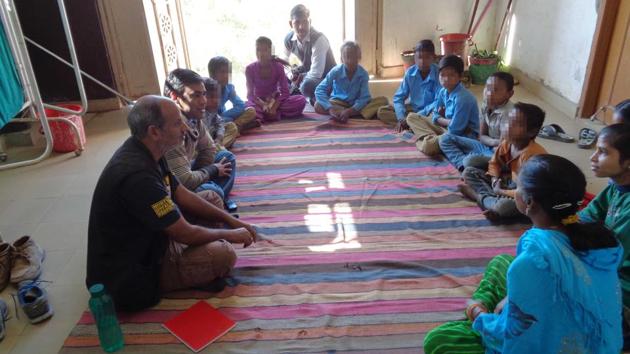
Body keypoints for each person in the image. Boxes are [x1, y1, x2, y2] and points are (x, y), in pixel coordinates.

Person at [423, 154, 622, 354]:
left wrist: (479, 316)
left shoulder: (533, 261)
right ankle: (494, 304)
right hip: (601, 345)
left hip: (552, 344)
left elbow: (517, 336)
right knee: (502, 262)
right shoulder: (599, 240)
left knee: (438, 340)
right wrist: (512, 299)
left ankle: (480, 306)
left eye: (517, 187)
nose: (515, 191)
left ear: (529, 203)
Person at [86, 96, 258, 312]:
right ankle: (181, 275)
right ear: (154, 131)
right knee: (224, 254)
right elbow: (184, 233)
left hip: (155, 237)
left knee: (213, 199)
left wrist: (229, 220)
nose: (185, 127)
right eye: (177, 123)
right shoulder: (138, 177)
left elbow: (180, 192)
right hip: (134, 273)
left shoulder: (150, 150)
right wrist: (229, 235)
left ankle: (195, 258)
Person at [579, 123, 630, 347]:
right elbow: (583, 219)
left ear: (628, 162)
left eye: (603, 152)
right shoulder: (615, 187)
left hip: (621, 290)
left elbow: (607, 256)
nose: (593, 157)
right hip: (607, 274)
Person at [163, 69, 238, 211]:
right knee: (214, 193)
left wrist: (201, 174)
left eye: (204, 94)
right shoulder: (170, 128)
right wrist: (212, 170)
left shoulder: (192, 117)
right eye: (196, 95)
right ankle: (214, 200)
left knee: (226, 158)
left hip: (182, 177)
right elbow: (182, 182)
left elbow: (209, 148)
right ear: (175, 97)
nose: (204, 101)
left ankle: (210, 200)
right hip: (170, 190)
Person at [459, 102, 546, 220]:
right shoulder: (508, 142)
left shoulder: (532, 156)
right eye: (508, 121)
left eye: (516, 124)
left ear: (531, 132)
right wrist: (495, 179)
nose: (508, 126)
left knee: (504, 207)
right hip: (510, 182)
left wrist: (501, 191)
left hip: (528, 196)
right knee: (468, 172)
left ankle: (478, 197)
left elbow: (525, 194)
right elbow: (494, 163)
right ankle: (491, 200)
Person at [439, 72, 515, 172]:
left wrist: (490, 142)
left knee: (470, 160)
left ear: (509, 94)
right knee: (445, 139)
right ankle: (462, 165)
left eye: (495, 90)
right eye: (487, 88)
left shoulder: (510, 114)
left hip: (499, 154)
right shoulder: (487, 103)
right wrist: (493, 141)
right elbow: (482, 136)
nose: (489, 93)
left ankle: (471, 166)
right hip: (486, 146)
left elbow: (503, 148)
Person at [406, 55, 479, 156]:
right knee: (411, 117)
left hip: (462, 136)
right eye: (442, 75)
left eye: (451, 75)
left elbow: (456, 129)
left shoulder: (463, 98)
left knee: (429, 146)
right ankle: (430, 138)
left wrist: (441, 119)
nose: (446, 79)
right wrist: (445, 120)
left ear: (460, 76)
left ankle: (426, 139)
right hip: (446, 128)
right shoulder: (443, 91)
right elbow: (435, 115)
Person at [313, 41, 388, 123]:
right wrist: (330, 109)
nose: (350, 61)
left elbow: (364, 97)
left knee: (383, 100)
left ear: (359, 58)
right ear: (341, 59)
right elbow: (319, 89)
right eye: (347, 57)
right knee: (317, 105)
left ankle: (346, 113)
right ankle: (355, 114)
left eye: (354, 57)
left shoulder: (363, 74)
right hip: (338, 103)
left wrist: (350, 111)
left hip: (356, 104)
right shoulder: (336, 71)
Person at [376, 40, 440, 132]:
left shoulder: (439, 74)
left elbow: (438, 102)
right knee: (382, 111)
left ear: (433, 58)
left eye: (427, 57)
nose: (422, 61)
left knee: (440, 116)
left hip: (429, 112)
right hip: (413, 109)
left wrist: (415, 116)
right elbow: (399, 98)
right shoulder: (410, 73)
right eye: (419, 57)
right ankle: (411, 124)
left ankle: (412, 123)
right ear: (415, 58)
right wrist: (401, 118)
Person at [283, 4, 336, 104]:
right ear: (290, 24)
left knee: (306, 85)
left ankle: (306, 96)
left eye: (305, 22)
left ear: (310, 21)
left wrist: (299, 79)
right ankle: (312, 98)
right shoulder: (289, 39)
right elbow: (283, 62)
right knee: (281, 79)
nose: (301, 26)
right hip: (309, 74)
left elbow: (317, 73)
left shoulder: (319, 39)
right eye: (297, 22)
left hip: (326, 78)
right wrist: (291, 75)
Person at [245, 36, 306, 123]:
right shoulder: (250, 69)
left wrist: (273, 107)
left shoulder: (278, 67)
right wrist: (264, 105)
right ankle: (270, 114)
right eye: (258, 50)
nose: (261, 54)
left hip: (275, 101)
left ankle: (265, 115)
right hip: (259, 102)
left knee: (301, 100)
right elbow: (250, 95)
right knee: (247, 107)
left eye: (265, 50)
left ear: (270, 51)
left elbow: (285, 92)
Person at [208, 56, 258, 143]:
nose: (227, 75)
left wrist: (224, 117)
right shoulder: (207, 89)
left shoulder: (229, 88)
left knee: (251, 111)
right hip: (210, 123)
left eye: (229, 72)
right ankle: (216, 148)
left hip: (224, 119)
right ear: (212, 75)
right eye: (223, 72)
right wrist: (223, 119)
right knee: (230, 128)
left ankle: (237, 126)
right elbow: (206, 116)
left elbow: (240, 105)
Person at [202, 77, 237, 149]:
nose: (216, 101)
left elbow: (220, 123)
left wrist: (219, 137)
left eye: (217, 97)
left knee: (231, 126)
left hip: (212, 136)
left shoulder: (212, 111)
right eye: (211, 97)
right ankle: (214, 150)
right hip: (202, 142)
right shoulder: (199, 113)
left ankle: (216, 148)